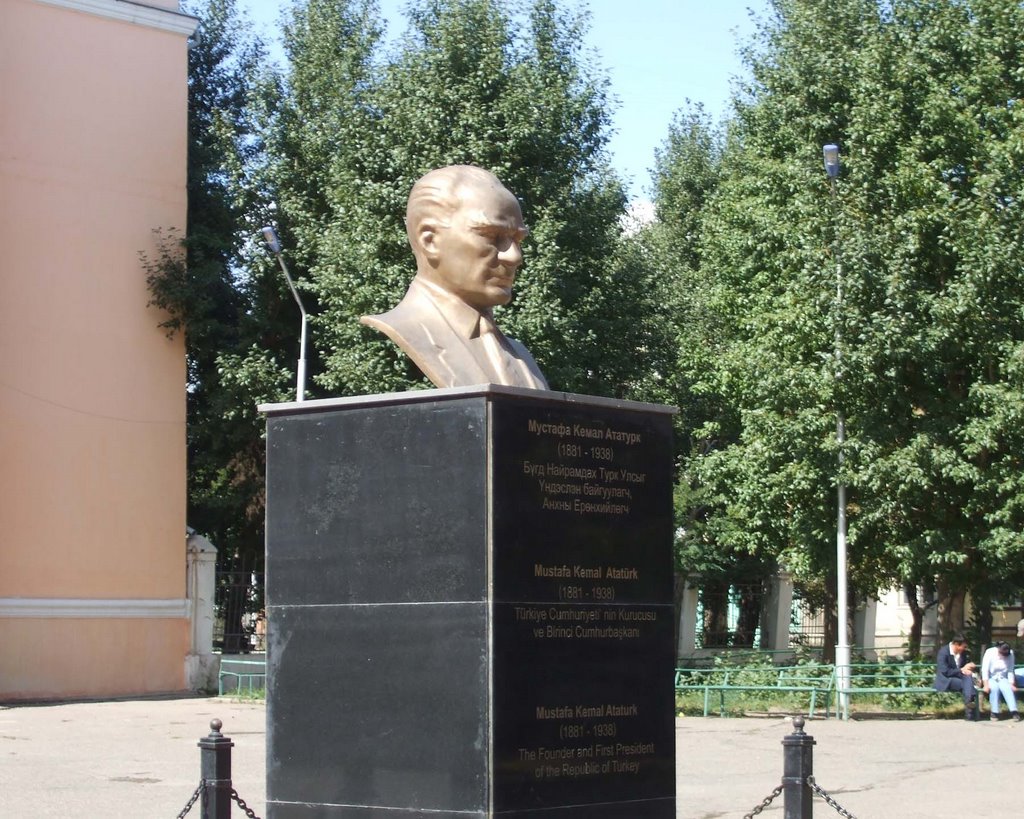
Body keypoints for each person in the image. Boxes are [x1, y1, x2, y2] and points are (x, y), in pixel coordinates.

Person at [361, 165, 549, 390]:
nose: (514, 256)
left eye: (518, 240)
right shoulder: (397, 333)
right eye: (492, 236)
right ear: (429, 240)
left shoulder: (522, 357)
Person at [934, 634, 978, 720]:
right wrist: (962, 669)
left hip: (959, 677)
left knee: (968, 678)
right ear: (957, 644)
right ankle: (970, 709)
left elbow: (963, 668)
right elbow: (945, 672)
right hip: (946, 680)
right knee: (967, 685)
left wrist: (969, 667)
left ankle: (969, 708)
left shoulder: (963, 653)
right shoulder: (944, 652)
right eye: (963, 647)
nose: (964, 649)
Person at [981, 641, 1021, 721]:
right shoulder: (990, 652)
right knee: (994, 688)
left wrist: (1011, 683)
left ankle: (1014, 711)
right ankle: (994, 712)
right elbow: (985, 669)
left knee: (1008, 688)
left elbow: (1010, 670)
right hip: (991, 677)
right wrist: (986, 684)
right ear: (998, 649)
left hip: (1003, 677)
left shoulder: (1011, 654)